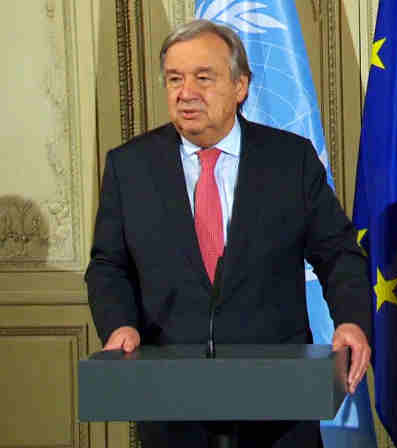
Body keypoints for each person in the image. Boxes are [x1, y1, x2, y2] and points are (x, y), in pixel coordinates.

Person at [85, 19, 371, 447]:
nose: (186, 93)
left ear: (240, 86)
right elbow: (108, 265)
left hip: (279, 401)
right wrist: (119, 324)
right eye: (175, 79)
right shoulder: (130, 167)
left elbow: (338, 253)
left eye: (203, 78)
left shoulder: (289, 161)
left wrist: (351, 319)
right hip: (171, 401)